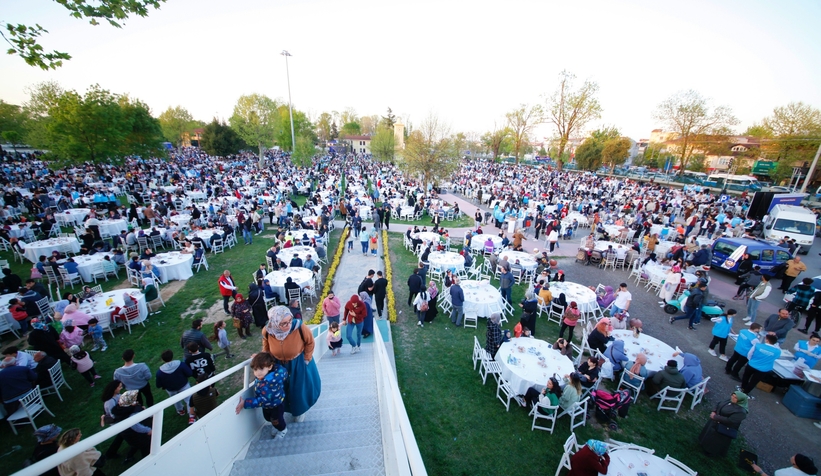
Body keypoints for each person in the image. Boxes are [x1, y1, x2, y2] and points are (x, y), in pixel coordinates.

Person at [261, 306, 321, 421]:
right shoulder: (268, 330)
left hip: (297, 362)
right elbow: (265, 341)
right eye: (283, 323)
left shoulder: (299, 328)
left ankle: (299, 411)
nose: (288, 325)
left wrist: (306, 358)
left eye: (289, 321)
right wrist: (265, 355)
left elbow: (310, 342)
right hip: (278, 364)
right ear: (275, 322)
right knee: (282, 389)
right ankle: (285, 410)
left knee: (298, 389)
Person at [236, 352, 289, 437]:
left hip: (275, 405)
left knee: (277, 420)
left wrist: (245, 403)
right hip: (270, 404)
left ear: (270, 367)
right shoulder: (274, 372)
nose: (257, 373)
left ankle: (282, 430)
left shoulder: (268, 383)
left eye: (261, 369)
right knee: (268, 418)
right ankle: (276, 426)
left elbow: (261, 401)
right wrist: (262, 359)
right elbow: (281, 370)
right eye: (255, 369)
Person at [698, 390, 749, 457]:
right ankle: (703, 442)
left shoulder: (741, 412)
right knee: (708, 434)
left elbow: (730, 420)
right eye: (732, 396)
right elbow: (719, 404)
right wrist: (714, 411)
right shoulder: (730, 400)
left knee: (715, 441)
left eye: (735, 397)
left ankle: (710, 452)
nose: (732, 398)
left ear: (740, 400)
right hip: (715, 421)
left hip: (723, 427)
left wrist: (715, 417)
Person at [156, 349, 193, 419]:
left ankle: (180, 410)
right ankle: (191, 415)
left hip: (171, 389)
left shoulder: (160, 372)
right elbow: (189, 373)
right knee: (189, 400)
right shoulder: (180, 364)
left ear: (162, 359)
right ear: (172, 356)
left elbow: (158, 385)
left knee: (175, 400)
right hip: (184, 385)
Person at [752, 454, 818, 476]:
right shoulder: (811, 474)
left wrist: (760, 471)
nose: (792, 456)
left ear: (795, 463)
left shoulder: (782, 473)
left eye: (794, 457)